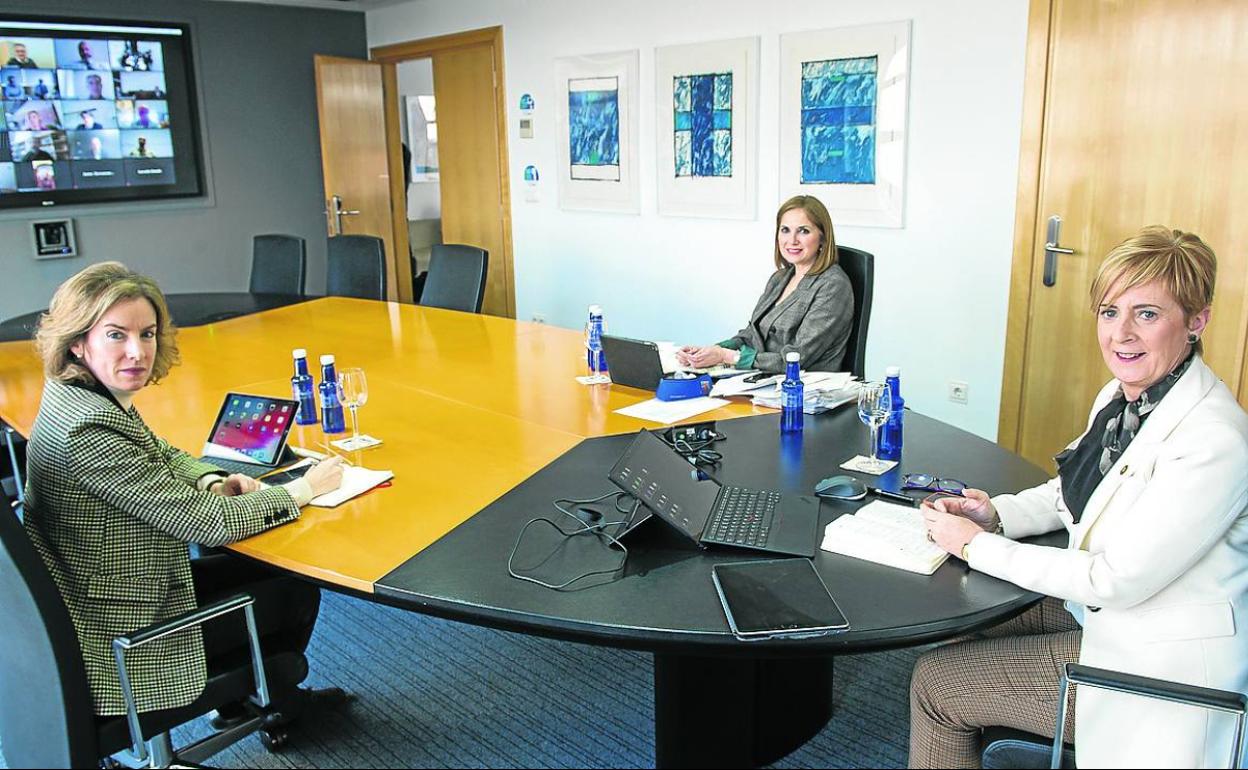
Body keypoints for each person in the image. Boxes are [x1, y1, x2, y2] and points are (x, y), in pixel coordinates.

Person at [911, 226, 1248, 768]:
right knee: (966, 621)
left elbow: (1115, 579)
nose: (1121, 335)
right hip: (1103, 619)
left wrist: (977, 546)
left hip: (1154, 667)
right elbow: (1076, 490)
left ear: (1197, 321)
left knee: (937, 684)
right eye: (1110, 312)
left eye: (1148, 313)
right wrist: (995, 513)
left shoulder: (1214, 441)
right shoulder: (1123, 397)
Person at [24, 261, 347, 719]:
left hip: (107, 590)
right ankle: (275, 703)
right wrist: (302, 489)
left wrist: (210, 478)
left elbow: (157, 450)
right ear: (77, 342)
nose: (137, 351)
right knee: (295, 591)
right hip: (126, 631)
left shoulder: (75, 397)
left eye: (148, 334)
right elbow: (206, 524)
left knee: (265, 573)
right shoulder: (86, 429)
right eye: (116, 335)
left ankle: (246, 701)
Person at [676, 195, 854, 373]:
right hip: (763, 381)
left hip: (804, 390)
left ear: (823, 238)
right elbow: (752, 335)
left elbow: (798, 358)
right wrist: (709, 352)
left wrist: (728, 356)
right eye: (785, 230)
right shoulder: (780, 278)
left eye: (804, 231)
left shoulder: (833, 285)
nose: (792, 240)